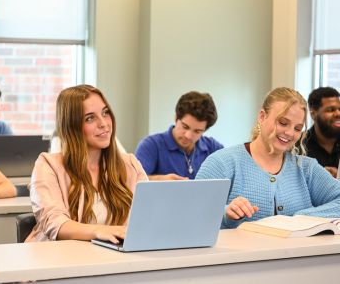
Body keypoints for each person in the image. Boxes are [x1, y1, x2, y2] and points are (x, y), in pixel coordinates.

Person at [196, 87, 340, 229]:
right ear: (262, 116)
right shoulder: (221, 163)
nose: (290, 133)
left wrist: (300, 219)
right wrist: (225, 213)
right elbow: (194, 213)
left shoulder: (306, 168)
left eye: (297, 128)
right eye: (283, 123)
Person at [26, 85, 147, 243]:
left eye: (105, 113)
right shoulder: (48, 165)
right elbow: (55, 223)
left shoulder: (130, 164)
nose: (103, 123)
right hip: (59, 260)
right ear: (72, 126)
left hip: (114, 260)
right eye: (90, 118)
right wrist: (101, 232)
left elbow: (147, 217)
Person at [135, 91, 223, 180]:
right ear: (176, 117)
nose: (188, 136)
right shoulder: (150, 145)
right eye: (185, 127)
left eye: (197, 131)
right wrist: (160, 180)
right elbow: (134, 181)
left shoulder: (213, 148)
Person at [303, 87, 340, 177]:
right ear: (313, 114)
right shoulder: (299, 145)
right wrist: (317, 178)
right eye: (330, 110)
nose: (338, 114)